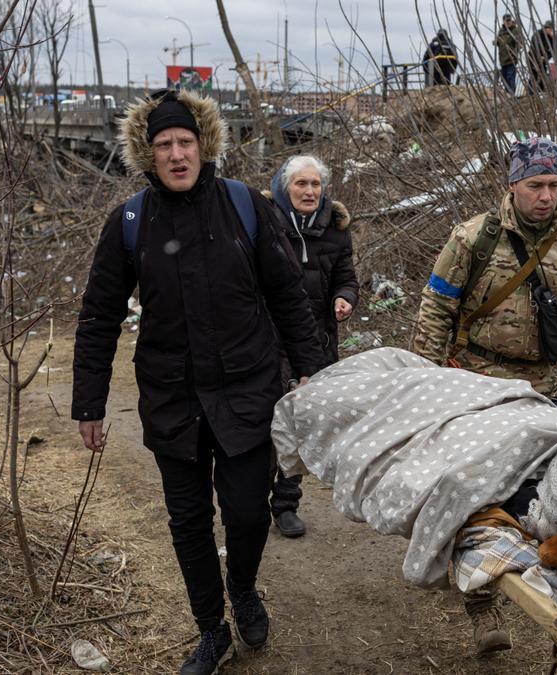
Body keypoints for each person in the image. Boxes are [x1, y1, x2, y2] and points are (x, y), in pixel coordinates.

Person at [72, 89, 324, 675]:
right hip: (171, 399)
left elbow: (287, 294)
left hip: (247, 389)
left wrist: (310, 368)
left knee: (246, 514)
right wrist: (90, 401)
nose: (177, 154)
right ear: (147, 153)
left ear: (203, 145)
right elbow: (98, 315)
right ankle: (212, 631)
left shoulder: (244, 207)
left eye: (186, 142)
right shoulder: (130, 224)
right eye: (164, 145)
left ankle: (242, 586)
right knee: (187, 521)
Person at [411, 136, 557, 654]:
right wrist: (427, 379)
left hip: (541, 390)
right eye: (536, 185)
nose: (547, 195)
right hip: (475, 382)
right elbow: (436, 307)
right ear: (513, 185)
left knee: (535, 493)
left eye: (554, 185)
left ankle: (547, 578)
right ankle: (482, 605)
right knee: (473, 489)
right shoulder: (473, 239)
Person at [263, 154, 359, 539]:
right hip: (267, 341)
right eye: (301, 184)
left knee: (300, 425)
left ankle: (286, 504)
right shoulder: (263, 224)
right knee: (264, 421)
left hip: (316, 343)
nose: (310, 191)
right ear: (284, 189)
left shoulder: (336, 230)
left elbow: (347, 278)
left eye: (315, 184)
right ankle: (252, 498)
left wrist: (345, 298)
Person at [493, 13, 524, 94]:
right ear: (503, 22)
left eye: (509, 20)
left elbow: (519, 44)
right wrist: (496, 42)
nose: (508, 22)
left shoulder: (515, 30)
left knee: (510, 77)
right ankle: (507, 94)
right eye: (506, 21)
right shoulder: (501, 31)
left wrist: (515, 51)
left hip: (511, 59)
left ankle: (511, 95)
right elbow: (499, 41)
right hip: (503, 60)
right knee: (504, 78)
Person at [527, 20, 555, 94]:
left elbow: (552, 51)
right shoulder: (537, 35)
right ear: (546, 28)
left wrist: (545, 57)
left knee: (543, 75)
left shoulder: (551, 39)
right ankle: (531, 93)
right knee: (534, 76)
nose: (551, 31)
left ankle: (541, 92)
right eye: (550, 29)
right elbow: (535, 48)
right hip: (533, 59)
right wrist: (540, 56)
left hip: (543, 60)